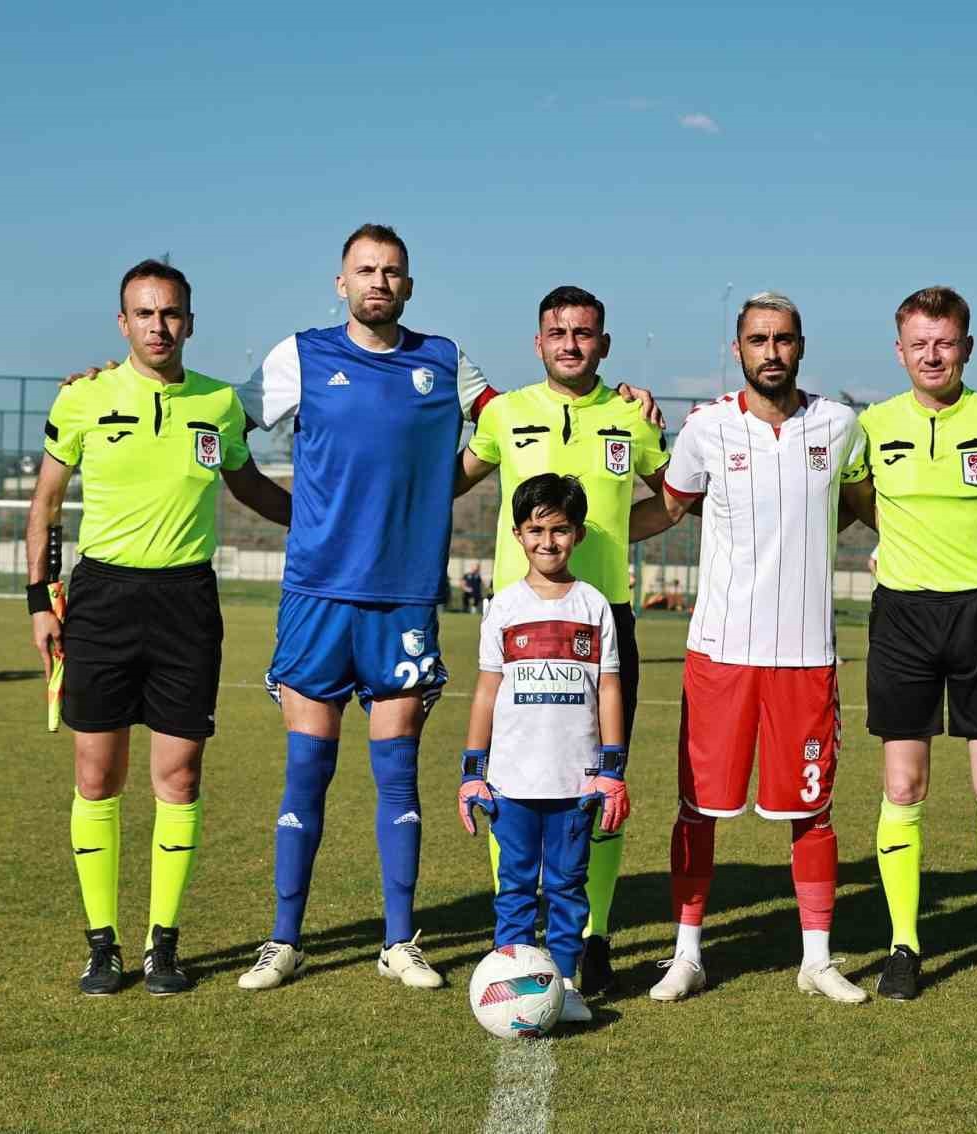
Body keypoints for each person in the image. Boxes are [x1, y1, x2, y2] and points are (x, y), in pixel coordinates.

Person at [226, 225, 659, 992]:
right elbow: (222, 433)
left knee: (397, 776)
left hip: (402, 597)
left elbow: (516, 419)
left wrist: (623, 399)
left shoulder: (445, 363)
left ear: (409, 285)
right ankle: (283, 940)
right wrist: (295, 514)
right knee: (307, 771)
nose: (379, 282)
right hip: (316, 596)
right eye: (365, 270)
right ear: (341, 283)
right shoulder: (299, 357)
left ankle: (400, 941)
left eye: (392, 271)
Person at [26, 259, 291, 995]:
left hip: (186, 604)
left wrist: (318, 521)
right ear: (123, 323)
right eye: (144, 313)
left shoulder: (218, 405)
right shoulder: (82, 397)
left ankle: (163, 944)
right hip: (103, 599)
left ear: (190, 321)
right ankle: (102, 945)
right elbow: (45, 503)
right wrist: (38, 602)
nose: (159, 326)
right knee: (96, 775)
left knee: (178, 775)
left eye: (171, 313)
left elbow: (248, 485)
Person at [644, 291, 870, 1005]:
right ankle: (687, 954)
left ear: (801, 346)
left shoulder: (840, 427)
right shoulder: (707, 427)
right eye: (757, 340)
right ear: (737, 349)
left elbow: (867, 509)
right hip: (721, 653)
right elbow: (671, 505)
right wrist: (589, 534)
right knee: (698, 808)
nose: (770, 351)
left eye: (783, 339)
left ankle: (818, 958)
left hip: (806, 654)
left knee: (812, 810)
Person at [456, 285, 668, 993]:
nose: (570, 343)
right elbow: (449, 479)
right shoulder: (507, 414)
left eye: (584, 332)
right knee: (509, 777)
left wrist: (604, 539)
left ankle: (593, 934)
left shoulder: (630, 417)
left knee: (597, 785)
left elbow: (674, 497)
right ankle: (513, 942)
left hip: (601, 623)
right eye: (557, 332)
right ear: (537, 342)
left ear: (603, 344)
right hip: (520, 631)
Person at [846, 285, 977, 1003]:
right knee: (903, 786)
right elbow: (853, 504)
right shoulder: (869, 426)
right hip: (901, 617)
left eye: (946, 341)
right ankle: (904, 944)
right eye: (919, 343)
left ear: (967, 347)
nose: (933, 355)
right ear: (900, 351)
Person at [458, 473, 628, 1026]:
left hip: (574, 782)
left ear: (576, 534)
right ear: (517, 534)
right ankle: (511, 980)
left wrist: (611, 769)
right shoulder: (503, 607)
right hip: (512, 781)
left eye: (559, 530)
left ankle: (566, 981)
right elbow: (486, 691)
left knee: (566, 888)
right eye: (536, 530)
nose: (547, 542)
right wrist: (472, 771)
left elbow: (607, 688)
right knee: (514, 887)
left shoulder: (593, 605)